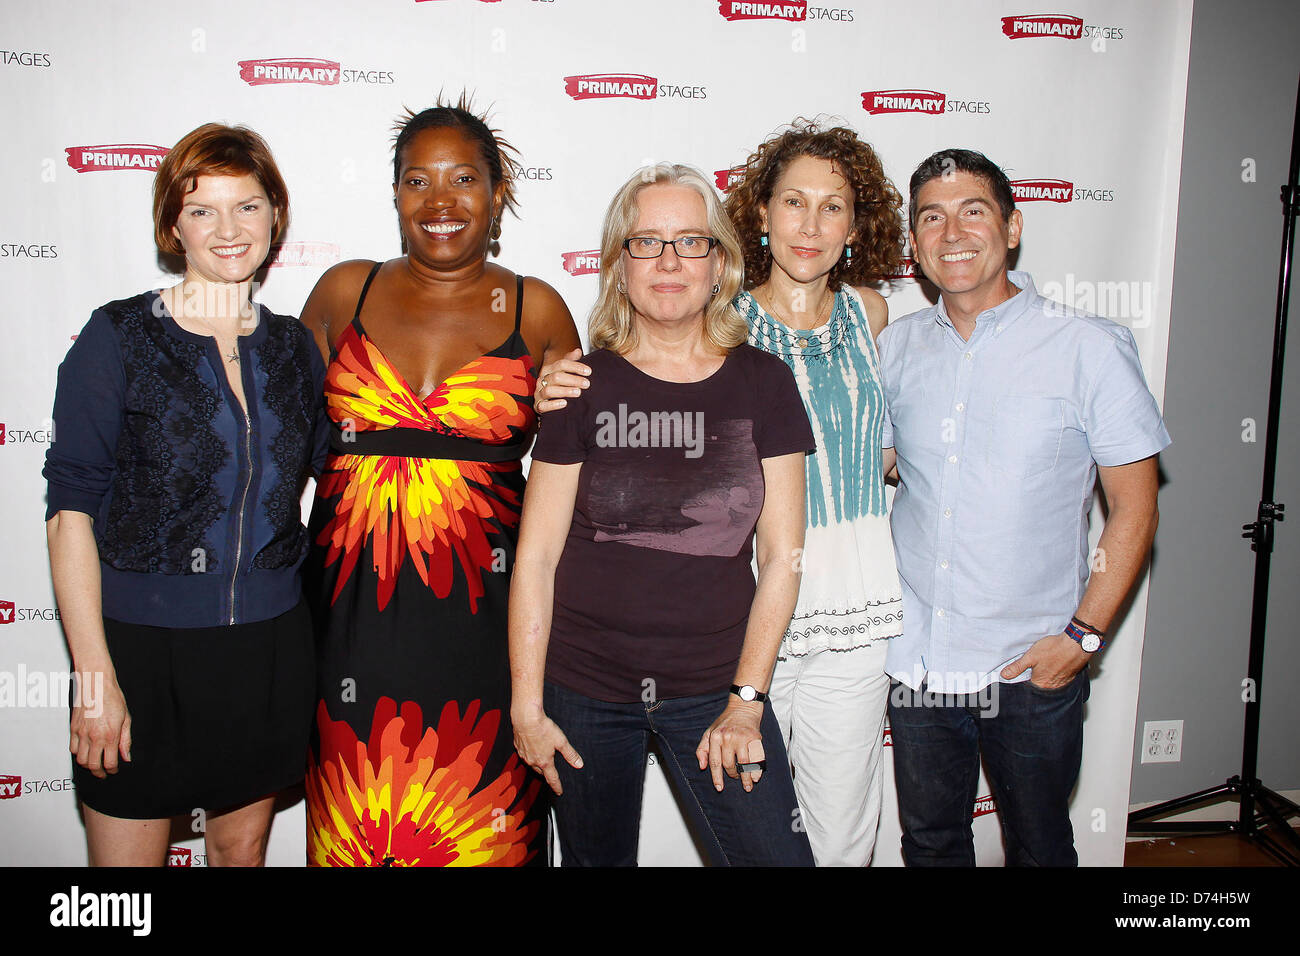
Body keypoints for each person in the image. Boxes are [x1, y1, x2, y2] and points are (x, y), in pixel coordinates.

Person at [536, 119, 907, 865]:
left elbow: (890, 450)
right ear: (758, 219)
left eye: (832, 206)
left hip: (818, 619)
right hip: (683, 640)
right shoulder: (694, 340)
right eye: (793, 202)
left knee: (834, 838)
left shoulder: (871, 316)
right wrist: (551, 382)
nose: (811, 223)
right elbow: (543, 548)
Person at [298, 97, 580, 867]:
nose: (440, 202)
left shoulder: (540, 308)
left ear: (498, 193)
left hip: (488, 632)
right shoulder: (340, 294)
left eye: (464, 180)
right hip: (350, 628)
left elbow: (572, 487)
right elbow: (275, 450)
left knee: (482, 832)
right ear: (394, 194)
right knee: (360, 830)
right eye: (418, 181)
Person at [510, 162, 816, 867]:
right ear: (621, 264)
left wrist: (747, 700)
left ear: (721, 263)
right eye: (647, 242)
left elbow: (781, 559)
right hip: (582, 686)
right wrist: (528, 707)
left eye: (690, 242)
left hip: (716, 686)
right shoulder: (580, 386)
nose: (669, 261)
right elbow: (536, 558)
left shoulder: (764, 383)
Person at [44, 123, 325, 866]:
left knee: (242, 850)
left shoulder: (297, 348)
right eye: (203, 209)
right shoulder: (119, 336)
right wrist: (94, 677)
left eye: (249, 206)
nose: (228, 229)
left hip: (266, 649)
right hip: (140, 653)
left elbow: (356, 459)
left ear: (276, 216)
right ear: (174, 223)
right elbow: (69, 515)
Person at [878, 148, 1169, 866]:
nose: (952, 233)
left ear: (1011, 228)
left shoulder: (1089, 349)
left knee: (1040, 848)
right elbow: (872, 470)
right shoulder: (895, 349)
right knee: (931, 844)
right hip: (919, 661)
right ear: (914, 244)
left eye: (973, 211)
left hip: (1032, 665)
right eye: (931, 218)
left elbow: (1135, 510)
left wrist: (1084, 638)